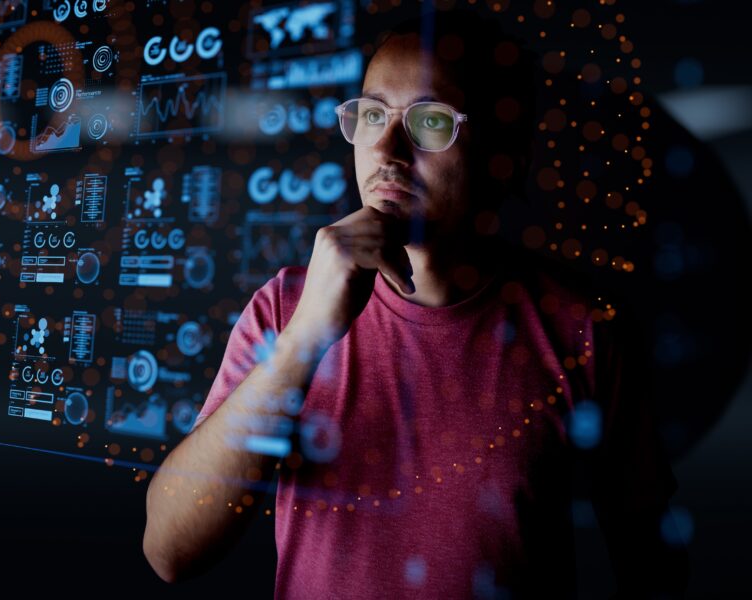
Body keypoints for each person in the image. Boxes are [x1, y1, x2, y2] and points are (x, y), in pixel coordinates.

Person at [143, 8, 689, 598]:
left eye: (430, 121)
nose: (387, 148)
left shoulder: (583, 329)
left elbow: (650, 561)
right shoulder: (284, 307)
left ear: (503, 155)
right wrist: (302, 343)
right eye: (372, 114)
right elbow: (170, 552)